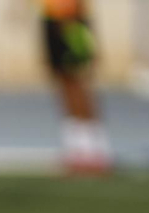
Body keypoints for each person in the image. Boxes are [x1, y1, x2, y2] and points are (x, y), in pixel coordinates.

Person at [39, 0, 112, 173]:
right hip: (51, 17)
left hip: (71, 19)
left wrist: (74, 18)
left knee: (79, 83)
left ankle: (96, 147)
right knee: (63, 83)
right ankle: (76, 146)